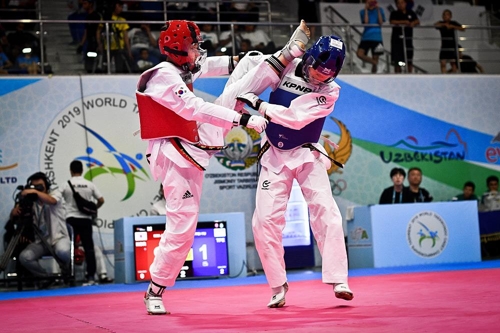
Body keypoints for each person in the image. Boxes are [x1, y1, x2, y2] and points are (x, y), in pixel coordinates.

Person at [138, 19, 310, 315]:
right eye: (193, 47)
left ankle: (286, 54)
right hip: (175, 154)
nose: (197, 52)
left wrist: (240, 61)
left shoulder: (181, 67)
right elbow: (194, 108)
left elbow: (211, 65)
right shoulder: (162, 76)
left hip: (194, 141)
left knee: (252, 62)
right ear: (179, 50)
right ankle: (155, 289)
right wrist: (243, 120)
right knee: (182, 230)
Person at [235, 34, 354, 308]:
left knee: (326, 211)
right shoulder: (287, 65)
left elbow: (296, 118)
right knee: (264, 222)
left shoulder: (330, 90)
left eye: (327, 75)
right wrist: (245, 95)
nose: (319, 79)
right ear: (309, 59)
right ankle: (278, 285)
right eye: (316, 70)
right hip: (274, 154)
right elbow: (257, 75)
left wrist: (260, 104)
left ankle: (339, 280)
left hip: (307, 153)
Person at [10, 172, 71, 280]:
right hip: (41, 241)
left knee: (62, 251)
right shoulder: (31, 201)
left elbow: (52, 201)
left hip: (59, 238)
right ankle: (46, 277)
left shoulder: (55, 193)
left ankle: (66, 267)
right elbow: (17, 218)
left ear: (46, 185)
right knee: (24, 257)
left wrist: (34, 192)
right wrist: (14, 212)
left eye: (40, 186)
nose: (37, 189)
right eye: (34, 186)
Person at [61, 160, 105, 285]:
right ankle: (91, 276)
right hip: (85, 220)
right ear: (82, 170)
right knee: (89, 248)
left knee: (70, 248)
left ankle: (70, 276)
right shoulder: (89, 184)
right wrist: (93, 209)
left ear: (71, 170)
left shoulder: (65, 185)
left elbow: (56, 199)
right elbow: (101, 200)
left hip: (71, 219)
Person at [98, 0, 132, 73]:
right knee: (105, 68)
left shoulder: (122, 20)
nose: (121, 9)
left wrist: (128, 50)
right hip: (107, 47)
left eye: (122, 7)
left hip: (119, 47)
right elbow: (98, 31)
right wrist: (99, 44)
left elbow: (125, 36)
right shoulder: (106, 18)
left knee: (119, 68)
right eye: (119, 6)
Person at [389, 0, 419, 73]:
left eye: (402, 3)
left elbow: (417, 21)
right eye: (398, 3)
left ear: (405, 3)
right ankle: (398, 76)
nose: (400, 5)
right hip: (397, 42)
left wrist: (413, 23)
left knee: (408, 61)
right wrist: (404, 22)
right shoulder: (394, 13)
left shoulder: (411, 13)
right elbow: (392, 22)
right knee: (398, 62)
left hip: (408, 41)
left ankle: (409, 75)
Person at [357, 0, 386, 74]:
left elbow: (380, 22)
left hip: (377, 38)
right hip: (366, 37)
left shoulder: (380, 10)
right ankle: (376, 63)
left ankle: (375, 71)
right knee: (359, 54)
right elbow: (366, 22)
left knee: (375, 59)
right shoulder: (362, 12)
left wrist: (378, 9)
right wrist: (366, 9)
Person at [434, 9, 465, 74]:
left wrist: (453, 27)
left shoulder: (453, 23)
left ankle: (454, 77)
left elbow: (463, 28)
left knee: (453, 63)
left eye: (447, 15)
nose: (445, 16)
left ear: (450, 16)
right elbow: (435, 25)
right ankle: (444, 77)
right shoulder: (441, 23)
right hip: (444, 46)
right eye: (444, 15)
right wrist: (444, 25)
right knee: (443, 63)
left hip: (452, 46)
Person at [77, 0, 103, 74]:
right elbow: (86, 32)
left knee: (93, 59)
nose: (83, 6)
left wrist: (99, 44)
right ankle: (89, 72)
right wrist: (81, 45)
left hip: (96, 43)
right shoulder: (87, 17)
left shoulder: (97, 16)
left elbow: (99, 31)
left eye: (85, 3)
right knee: (88, 60)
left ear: (90, 4)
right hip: (90, 43)